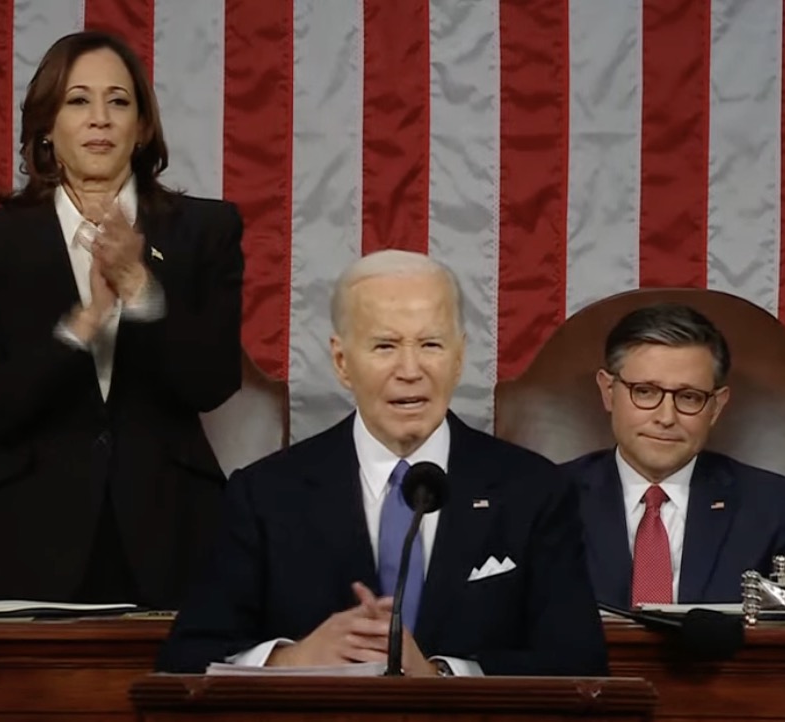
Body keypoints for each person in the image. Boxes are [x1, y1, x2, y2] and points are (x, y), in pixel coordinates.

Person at [157, 250, 606, 676]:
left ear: (458, 358)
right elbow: (186, 657)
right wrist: (291, 660)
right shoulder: (265, 495)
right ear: (342, 362)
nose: (410, 370)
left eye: (431, 344)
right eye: (385, 346)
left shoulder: (534, 490)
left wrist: (442, 674)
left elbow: (580, 663)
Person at [0, 31, 243, 609]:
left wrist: (139, 287)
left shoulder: (205, 231)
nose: (99, 118)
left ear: (142, 127)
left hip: (172, 530)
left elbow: (211, 382)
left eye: (118, 101)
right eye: (78, 100)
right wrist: (82, 326)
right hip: (17, 535)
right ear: (47, 127)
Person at [562, 303, 785, 609]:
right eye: (645, 391)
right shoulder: (549, 497)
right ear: (608, 391)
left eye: (689, 397)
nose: (666, 417)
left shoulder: (774, 507)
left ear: (716, 407)